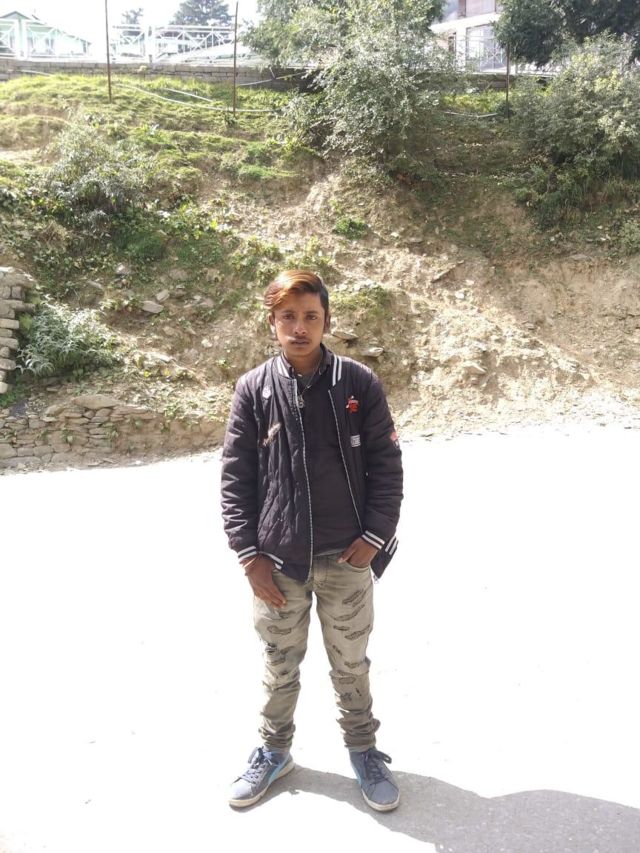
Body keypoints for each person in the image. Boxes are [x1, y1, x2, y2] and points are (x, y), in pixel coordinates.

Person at [221, 269, 403, 811]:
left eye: (310, 317)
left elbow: (387, 464)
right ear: (272, 322)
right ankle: (274, 752)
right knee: (280, 664)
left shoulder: (357, 383)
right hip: (278, 563)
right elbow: (236, 477)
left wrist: (374, 536)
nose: (299, 328)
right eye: (288, 317)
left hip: (347, 557)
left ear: (326, 321)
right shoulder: (253, 388)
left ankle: (364, 750)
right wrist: (249, 555)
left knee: (351, 664)